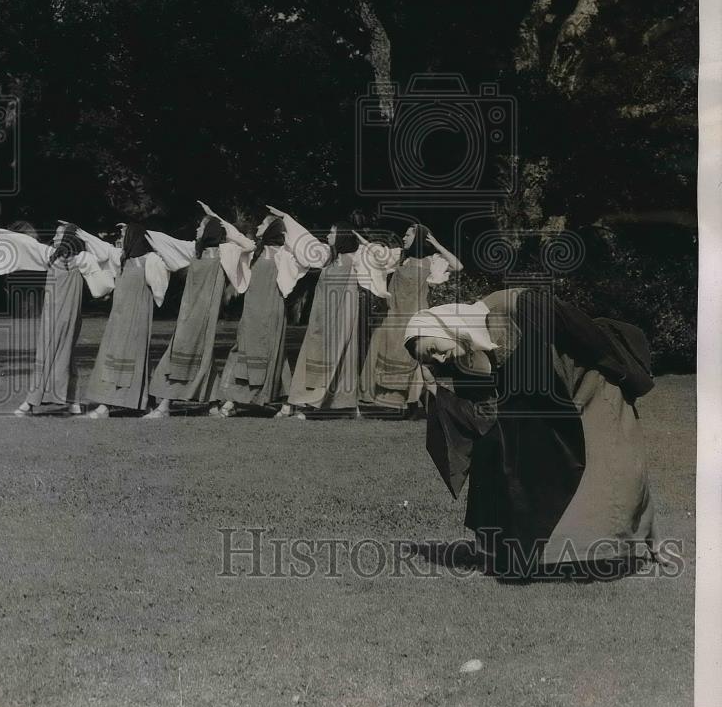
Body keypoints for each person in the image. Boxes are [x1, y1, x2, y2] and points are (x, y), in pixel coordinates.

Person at [404, 288, 664, 578]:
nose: (438, 360)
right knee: (518, 461)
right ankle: (527, 550)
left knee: (607, 464)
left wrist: (624, 374)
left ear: (441, 325)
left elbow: (583, 333)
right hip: (552, 401)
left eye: (431, 349)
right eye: (429, 362)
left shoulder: (512, 304)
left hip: (590, 383)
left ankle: (634, 542)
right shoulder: (465, 355)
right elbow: (487, 418)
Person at [0, 223, 114, 416]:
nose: (56, 236)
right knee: (47, 355)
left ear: (69, 237)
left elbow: (104, 253)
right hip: (50, 316)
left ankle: (61, 400)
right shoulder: (51, 255)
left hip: (69, 316)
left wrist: (83, 234)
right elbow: (26, 243)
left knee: (66, 355)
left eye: (60, 233)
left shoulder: (83, 259)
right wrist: (2, 234)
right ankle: (39, 401)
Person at [143, 201, 254, 418]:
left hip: (207, 316)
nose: (197, 230)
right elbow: (164, 241)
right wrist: (138, 231)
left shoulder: (227, 252)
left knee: (193, 354)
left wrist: (216, 216)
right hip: (188, 315)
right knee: (190, 353)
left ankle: (166, 406)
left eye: (201, 226)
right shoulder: (194, 250)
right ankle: (205, 405)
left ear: (210, 230)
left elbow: (248, 244)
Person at [278, 208, 392, 419]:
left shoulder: (356, 259)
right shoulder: (327, 257)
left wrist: (360, 239)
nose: (328, 236)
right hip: (320, 319)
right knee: (310, 356)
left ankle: (312, 408)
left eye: (332, 233)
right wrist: (286, 219)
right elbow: (303, 241)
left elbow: (381, 258)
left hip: (342, 320)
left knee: (340, 358)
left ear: (342, 236)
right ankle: (299, 402)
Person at [361, 223, 462, 412]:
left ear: (419, 239)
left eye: (408, 235)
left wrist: (437, 244)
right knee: (381, 349)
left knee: (414, 360)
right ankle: (388, 401)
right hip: (394, 316)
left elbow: (458, 265)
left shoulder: (432, 261)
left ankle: (412, 403)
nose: (404, 237)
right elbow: (373, 253)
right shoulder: (399, 256)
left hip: (416, 319)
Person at [216, 209, 308, 417]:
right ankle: (233, 400)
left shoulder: (285, 256)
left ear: (272, 229)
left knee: (274, 354)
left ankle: (286, 404)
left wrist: (287, 217)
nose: (257, 227)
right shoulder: (254, 251)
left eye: (263, 224)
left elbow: (305, 248)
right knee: (242, 352)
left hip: (270, 311)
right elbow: (235, 236)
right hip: (251, 312)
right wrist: (217, 216)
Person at [84, 223, 169, 419]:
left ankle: (137, 404)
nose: (120, 237)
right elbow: (100, 247)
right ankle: (108, 405)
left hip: (136, 319)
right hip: (118, 319)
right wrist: (80, 232)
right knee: (112, 357)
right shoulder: (122, 259)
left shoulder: (151, 260)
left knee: (133, 359)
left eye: (124, 234)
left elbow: (159, 288)